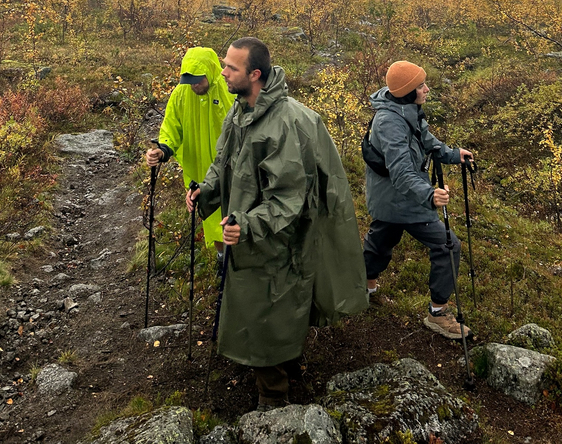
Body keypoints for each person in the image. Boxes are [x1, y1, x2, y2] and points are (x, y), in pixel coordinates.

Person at [186, 37, 367, 410]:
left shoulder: (282, 124)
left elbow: (288, 198)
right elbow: (224, 163)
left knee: (267, 310)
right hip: (248, 234)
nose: (222, 72)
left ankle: (274, 399)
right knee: (262, 307)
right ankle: (284, 365)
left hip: (276, 241)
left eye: (230, 68)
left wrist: (248, 225)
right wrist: (204, 195)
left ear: (254, 74)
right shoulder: (239, 111)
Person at [363, 60, 474, 340]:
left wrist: (452, 153)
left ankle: (364, 290)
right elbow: (401, 174)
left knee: (380, 243)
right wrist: (428, 194)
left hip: (395, 198)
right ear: (407, 92)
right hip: (400, 199)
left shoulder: (407, 109)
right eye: (421, 86)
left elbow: (426, 141)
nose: (426, 89)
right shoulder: (389, 122)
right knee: (448, 245)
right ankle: (437, 314)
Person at [146, 47, 235, 262]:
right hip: (200, 171)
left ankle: (238, 261)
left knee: (233, 215)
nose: (194, 85)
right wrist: (162, 150)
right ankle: (222, 258)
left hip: (231, 169)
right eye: (190, 80)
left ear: (210, 72)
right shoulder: (181, 94)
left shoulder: (228, 90)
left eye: (198, 80)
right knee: (212, 218)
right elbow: (171, 128)